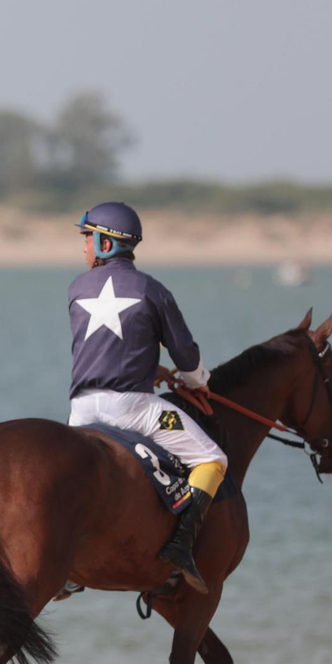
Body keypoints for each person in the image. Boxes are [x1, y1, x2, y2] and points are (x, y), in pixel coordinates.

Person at [66, 201, 226, 592]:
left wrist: (150, 368)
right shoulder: (152, 290)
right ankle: (181, 545)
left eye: (88, 237)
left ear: (105, 244)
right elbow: (186, 355)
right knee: (213, 459)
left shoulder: (76, 288)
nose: (84, 245)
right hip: (133, 409)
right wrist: (197, 381)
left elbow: (103, 350)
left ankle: (67, 571)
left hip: (80, 412)